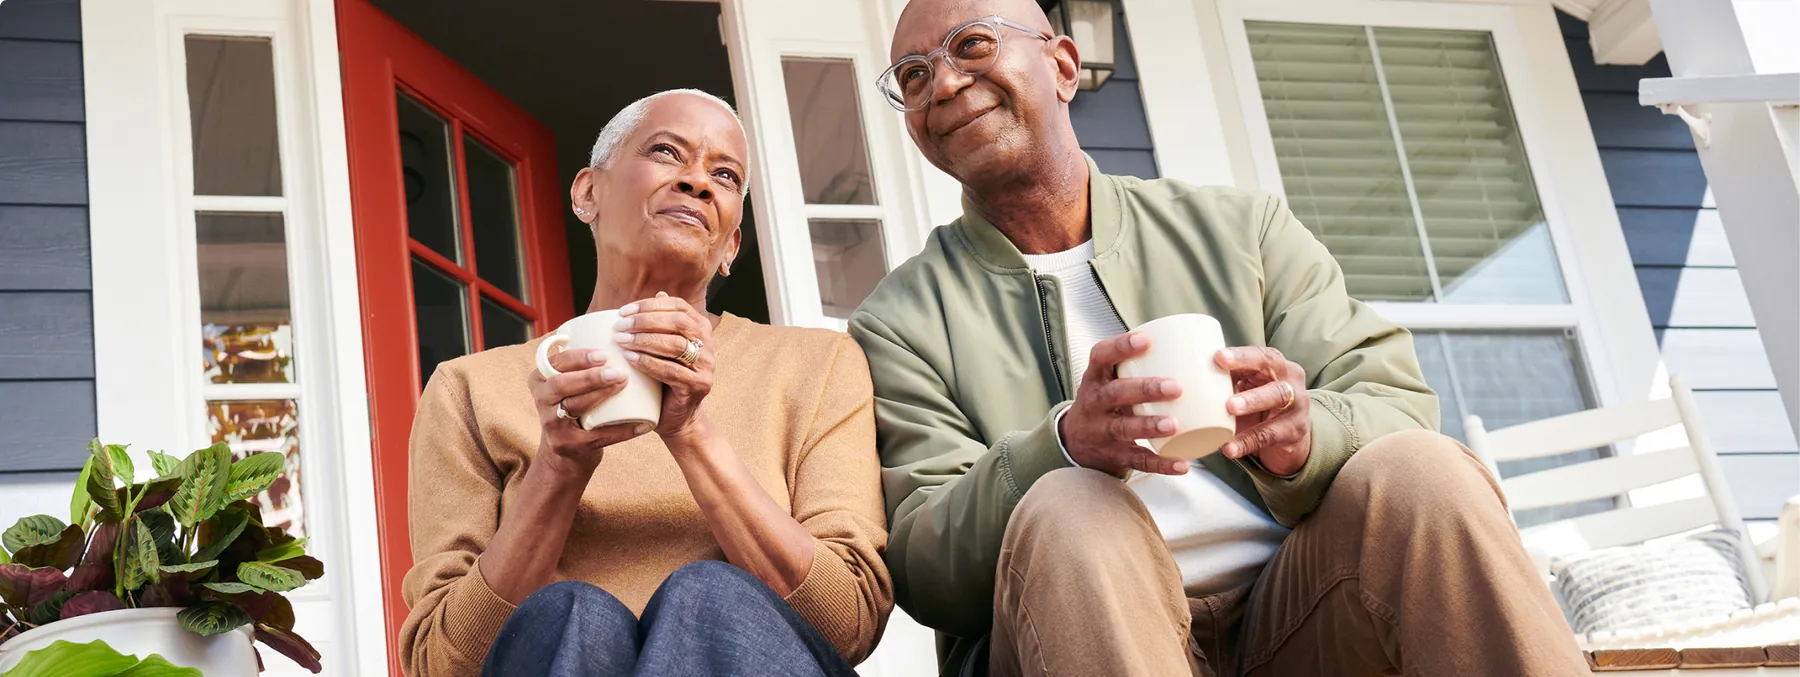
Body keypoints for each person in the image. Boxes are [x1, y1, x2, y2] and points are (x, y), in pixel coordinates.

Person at [849, 1, 1590, 675]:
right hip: (1080, 627)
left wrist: (1307, 434)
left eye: (971, 45)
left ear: (1063, 67)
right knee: (1072, 508)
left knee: (1424, 471)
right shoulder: (900, 319)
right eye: (913, 76)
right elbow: (922, 562)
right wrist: (1066, 444)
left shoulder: (1242, 230)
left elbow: (1394, 399)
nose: (942, 84)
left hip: (1301, 607)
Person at [399, 89, 892, 677]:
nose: (698, 182)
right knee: (571, 614)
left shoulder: (819, 365)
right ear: (588, 193)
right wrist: (557, 470)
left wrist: (690, 431)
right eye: (666, 152)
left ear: (731, 243)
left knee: (709, 597)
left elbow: (848, 626)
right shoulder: (469, 389)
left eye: (726, 176)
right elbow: (441, 661)